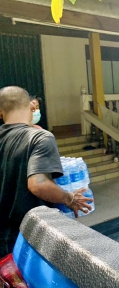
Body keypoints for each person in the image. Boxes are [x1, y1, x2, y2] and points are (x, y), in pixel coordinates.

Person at [0, 86, 92, 258]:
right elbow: (38, 184)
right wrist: (69, 198)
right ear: (33, 107)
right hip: (29, 236)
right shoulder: (39, 137)